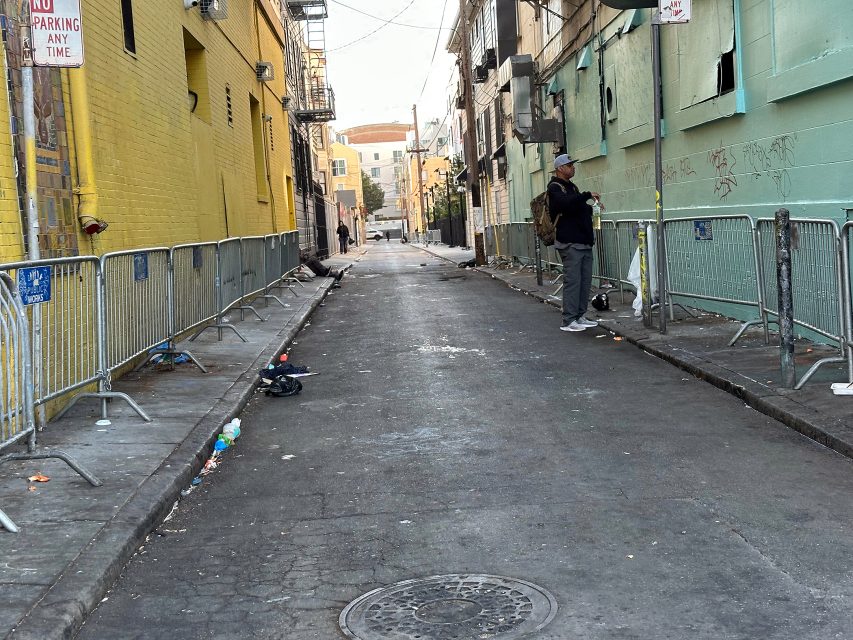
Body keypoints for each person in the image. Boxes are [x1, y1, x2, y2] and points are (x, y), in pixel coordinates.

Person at [549, 154, 603, 332]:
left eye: (572, 165)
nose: (573, 168)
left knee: (585, 281)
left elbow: (577, 207)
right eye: (569, 165)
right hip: (570, 243)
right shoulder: (555, 187)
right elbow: (564, 205)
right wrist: (586, 195)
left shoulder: (572, 187)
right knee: (573, 282)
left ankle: (580, 315)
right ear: (560, 169)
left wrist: (591, 207)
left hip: (584, 242)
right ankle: (569, 320)